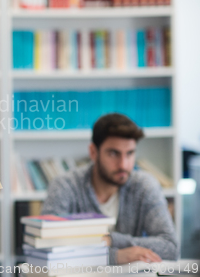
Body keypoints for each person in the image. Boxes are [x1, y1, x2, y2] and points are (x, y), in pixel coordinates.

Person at [42, 113, 179, 265]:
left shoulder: (144, 185)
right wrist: (115, 257)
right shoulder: (65, 186)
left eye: (130, 153)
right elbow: (48, 248)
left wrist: (111, 240)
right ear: (93, 152)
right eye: (114, 154)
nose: (124, 164)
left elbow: (170, 247)